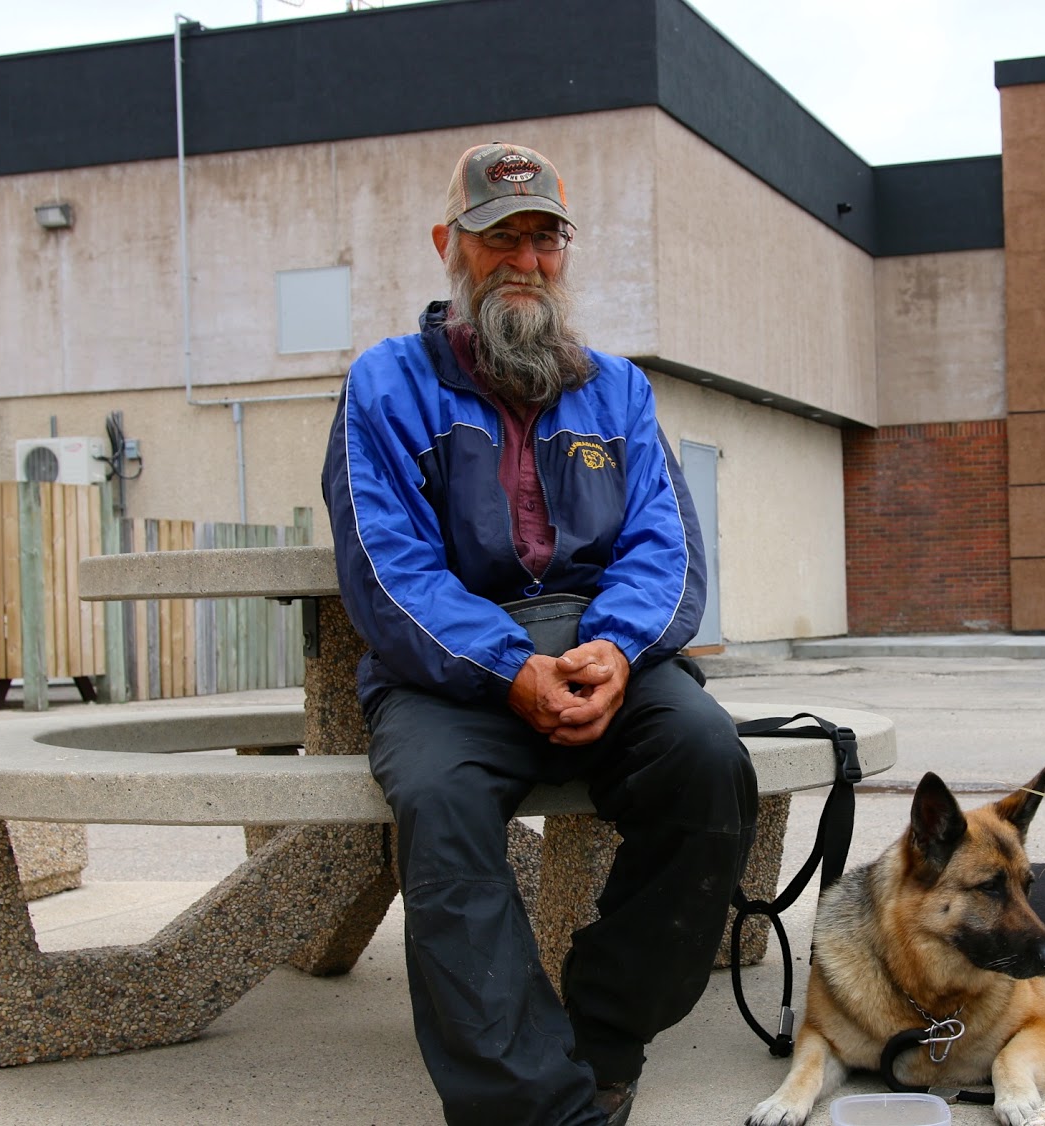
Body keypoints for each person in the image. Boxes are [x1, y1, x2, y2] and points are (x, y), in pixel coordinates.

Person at [322, 142, 758, 1126]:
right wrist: (509, 663)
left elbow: (665, 547)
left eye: (543, 236)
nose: (523, 258)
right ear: (450, 245)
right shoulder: (383, 384)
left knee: (707, 759)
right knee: (436, 807)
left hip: (600, 649)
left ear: (565, 251)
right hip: (446, 665)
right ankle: (538, 1110)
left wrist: (615, 646)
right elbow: (387, 568)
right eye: (497, 236)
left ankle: (603, 1034)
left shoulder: (618, 390)